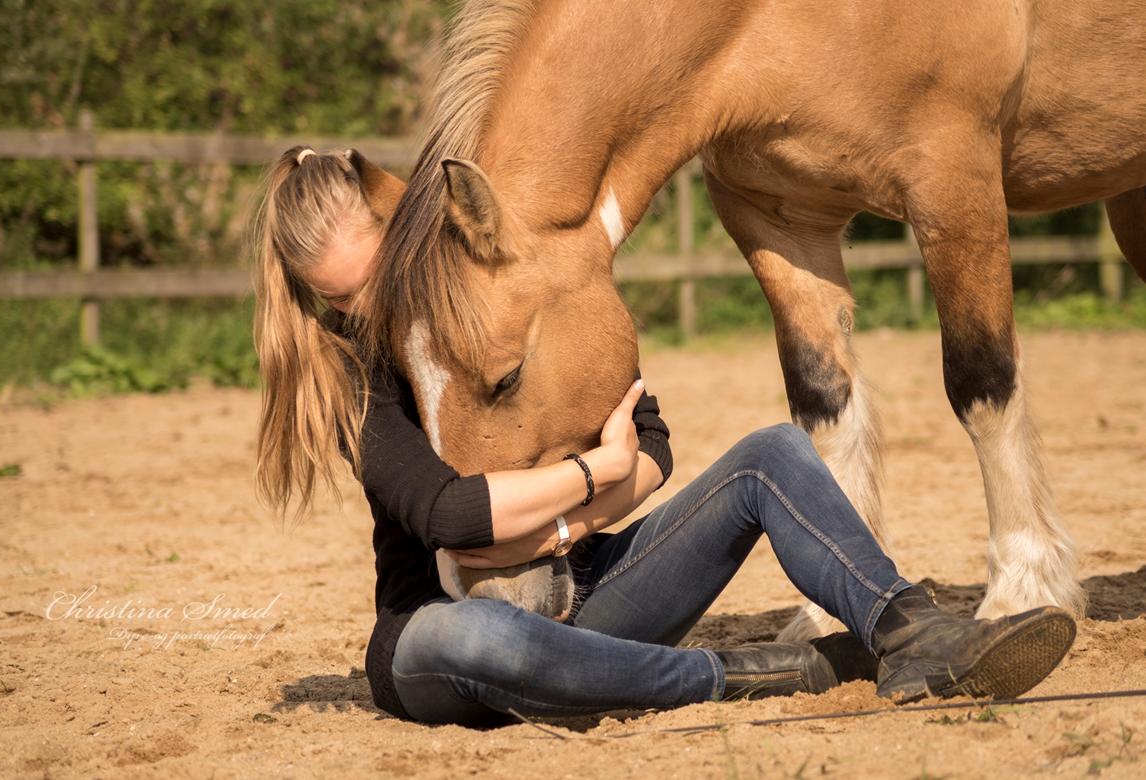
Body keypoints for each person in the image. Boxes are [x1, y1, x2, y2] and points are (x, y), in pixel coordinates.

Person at [251, 146, 1076, 726]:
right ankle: (757, 677)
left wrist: (575, 513)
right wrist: (593, 476)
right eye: (345, 301)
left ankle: (911, 630)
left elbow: (653, 444)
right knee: (471, 633)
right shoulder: (355, 382)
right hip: (443, 641)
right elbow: (450, 518)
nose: (372, 309)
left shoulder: (470, 320)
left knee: (771, 457)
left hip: (584, 599)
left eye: (379, 277)